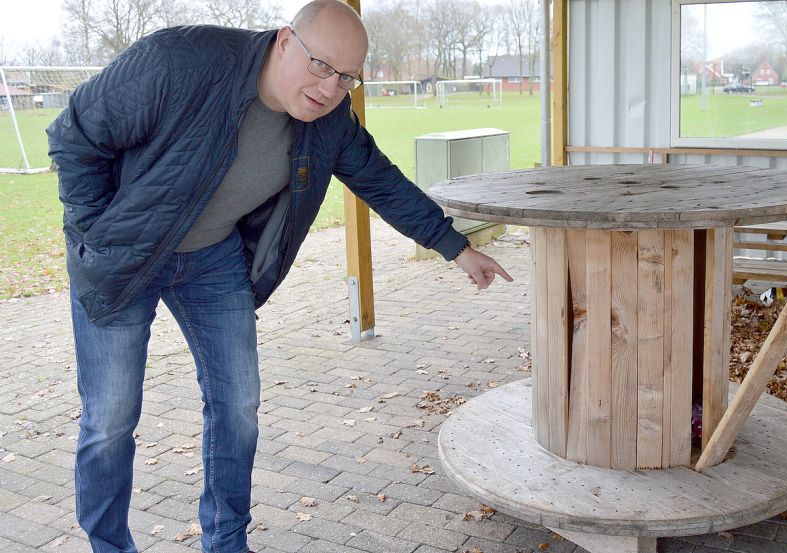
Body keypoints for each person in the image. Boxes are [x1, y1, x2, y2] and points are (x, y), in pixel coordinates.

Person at [46, 2, 512, 552]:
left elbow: (381, 181)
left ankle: (225, 541)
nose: (330, 88)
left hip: (211, 261)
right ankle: (108, 545)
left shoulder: (329, 120)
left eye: (346, 79)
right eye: (321, 66)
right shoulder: (180, 60)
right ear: (285, 41)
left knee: (237, 405)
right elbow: (74, 133)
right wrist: (100, 233)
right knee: (110, 418)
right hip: (123, 259)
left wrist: (455, 247)